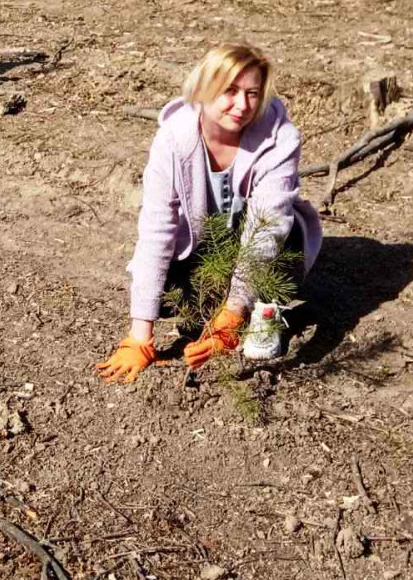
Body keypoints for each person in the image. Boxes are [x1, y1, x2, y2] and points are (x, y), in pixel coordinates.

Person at [97, 43, 322, 384]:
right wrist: (140, 336)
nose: (242, 105)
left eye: (252, 93)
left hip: (262, 245)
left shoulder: (280, 139)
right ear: (203, 89)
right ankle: (222, 305)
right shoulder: (173, 139)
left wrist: (234, 311)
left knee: (283, 235)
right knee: (171, 306)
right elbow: (158, 229)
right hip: (207, 245)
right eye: (229, 91)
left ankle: (265, 313)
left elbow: (267, 228)